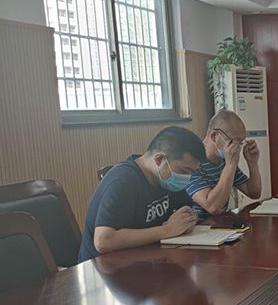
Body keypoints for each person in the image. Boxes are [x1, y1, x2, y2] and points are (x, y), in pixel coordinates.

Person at [79, 126, 206, 262]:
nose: (187, 177)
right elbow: (103, 241)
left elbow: (183, 209)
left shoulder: (166, 179)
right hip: (105, 267)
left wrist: (188, 219)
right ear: (159, 160)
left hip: (148, 259)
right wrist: (167, 230)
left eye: (191, 172)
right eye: (185, 170)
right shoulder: (123, 181)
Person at [186, 110, 261, 218]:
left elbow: (253, 193)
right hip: (198, 225)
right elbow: (213, 207)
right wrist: (230, 166)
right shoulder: (191, 163)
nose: (238, 147)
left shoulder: (224, 160)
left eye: (241, 142)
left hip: (220, 223)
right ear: (214, 136)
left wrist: (252, 163)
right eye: (233, 141)